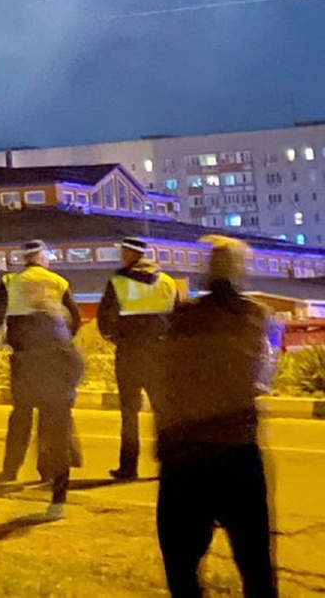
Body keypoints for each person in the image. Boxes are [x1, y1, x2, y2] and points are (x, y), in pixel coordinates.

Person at [153, 236, 277, 597]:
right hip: (235, 449)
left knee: (181, 568)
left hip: (184, 454)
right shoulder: (254, 317)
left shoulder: (183, 318)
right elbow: (261, 375)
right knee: (254, 564)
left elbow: (165, 380)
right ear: (240, 272)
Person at [0, 239, 84, 520]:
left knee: (21, 414)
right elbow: (75, 319)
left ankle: (10, 470)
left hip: (24, 360)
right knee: (53, 419)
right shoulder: (58, 282)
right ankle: (49, 473)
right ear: (42, 258)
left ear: (25, 259)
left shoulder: (9, 280)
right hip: (55, 358)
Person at [96, 236, 180, 481]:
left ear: (132, 254)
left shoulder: (119, 282)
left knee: (129, 413)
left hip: (130, 355)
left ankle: (128, 468)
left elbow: (106, 320)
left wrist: (118, 339)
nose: (121, 256)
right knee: (163, 412)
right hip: (160, 356)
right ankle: (169, 464)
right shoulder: (167, 281)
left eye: (123, 252)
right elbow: (177, 318)